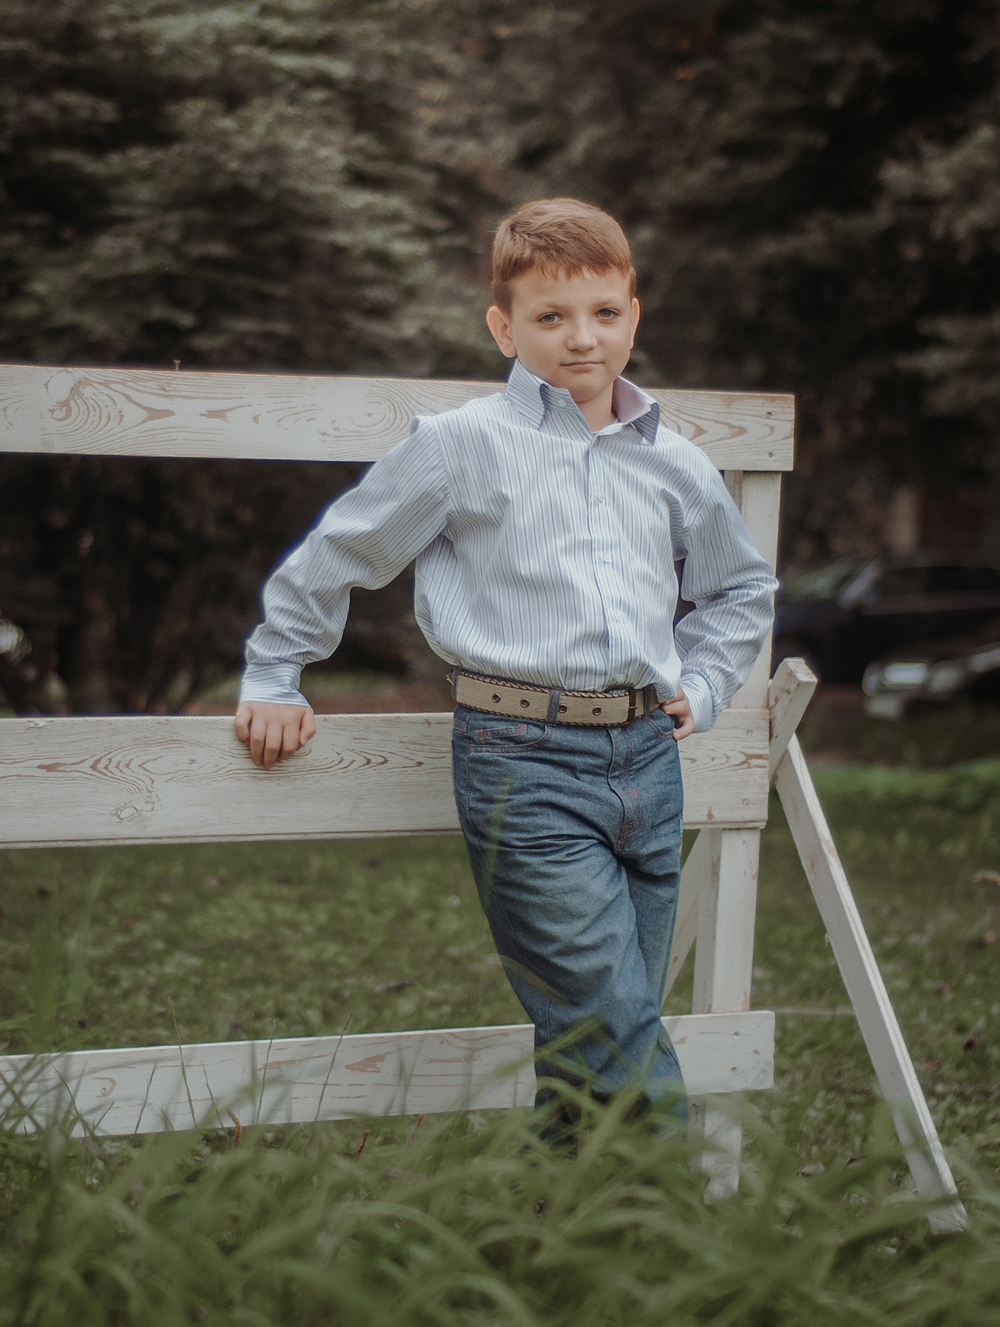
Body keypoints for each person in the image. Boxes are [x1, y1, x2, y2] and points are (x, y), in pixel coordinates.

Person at [232, 197, 776, 1127]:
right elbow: (340, 556)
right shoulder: (458, 447)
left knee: (593, 1048)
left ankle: (563, 1246)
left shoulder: (675, 462)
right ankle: (691, 1238)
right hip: (519, 760)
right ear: (503, 327)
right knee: (618, 1034)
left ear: (634, 317)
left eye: (605, 313)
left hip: (648, 760)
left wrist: (707, 681)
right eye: (550, 317)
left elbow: (740, 591)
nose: (581, 340)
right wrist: (274, 676)